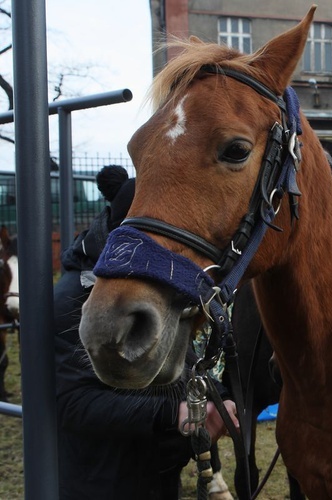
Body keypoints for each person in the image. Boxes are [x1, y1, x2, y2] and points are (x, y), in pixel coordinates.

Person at [54, 165, 238, 500]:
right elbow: (73, 403)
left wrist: (217, 396)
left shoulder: (152, 285)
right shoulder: (73, 296)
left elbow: (184, 359)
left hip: (156, 471)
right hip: (100, 482)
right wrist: (173, 413)